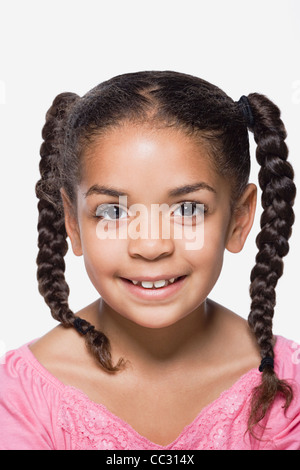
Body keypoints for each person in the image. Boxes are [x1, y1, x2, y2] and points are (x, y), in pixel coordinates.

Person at [0, 71, 299, 450]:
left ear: (238, 219)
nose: (151, 245)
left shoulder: (289, 390)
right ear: (72, 223)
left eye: (188, 208)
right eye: (112, 212)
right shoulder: (19, 399)